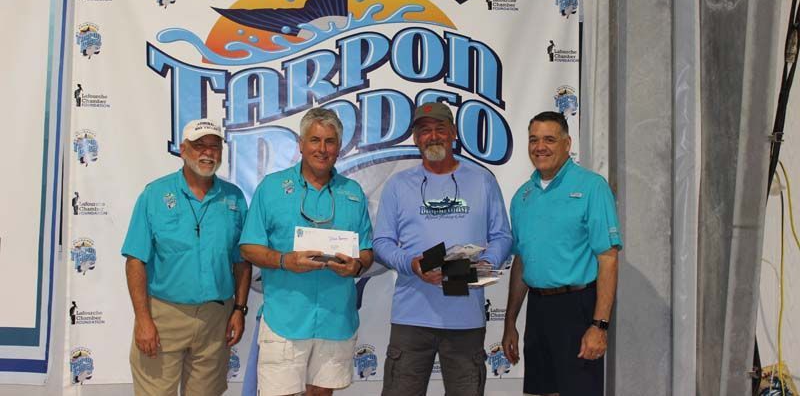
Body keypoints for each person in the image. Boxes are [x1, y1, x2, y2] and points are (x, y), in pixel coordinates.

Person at [373, 101, 513, 396]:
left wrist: (482, 267)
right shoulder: (398, 185)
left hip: (466, 319)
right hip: (411, 318)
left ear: (453, 134)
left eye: (440, 129)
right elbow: (382, 243)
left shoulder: (482, 180)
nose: (432, 136)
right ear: (415, 138)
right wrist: (411, 264)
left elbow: (502, 236)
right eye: (424, 131)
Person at [239, 107, 373, 396]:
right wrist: (285, 260)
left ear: (339, 147)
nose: (322, 149)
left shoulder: (353, 192)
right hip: (285, 320)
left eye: (330, 141)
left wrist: (357, 266)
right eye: (314, 140)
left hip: (336, 319)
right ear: (300, 144)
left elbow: (367, 250)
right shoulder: (271, 188)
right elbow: (248, 247)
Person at [121, 119, 251, 396]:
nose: (207, 152)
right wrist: (143, 319)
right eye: (199, 145)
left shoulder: (234, 198)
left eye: (214, 146)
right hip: (163, 315)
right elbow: (135, 260)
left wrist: (239, 310)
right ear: (183, 150)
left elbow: (242, 261)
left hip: (216, 318)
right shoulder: (154, 194)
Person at [502, 111, 622, 396]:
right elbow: (521, 261)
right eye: (533, 140)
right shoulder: (522, 197)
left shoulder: (592, 187)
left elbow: (608, 259)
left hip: (578, 308)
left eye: (549, 139)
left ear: (567, 144)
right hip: (539, 309)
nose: (539, 147)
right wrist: (510, 322)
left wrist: (599, 326)